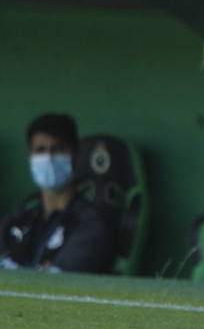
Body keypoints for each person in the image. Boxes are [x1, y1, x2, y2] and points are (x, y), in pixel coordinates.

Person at [0, 113, 117, 274]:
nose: (48, 157)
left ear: (75, 157)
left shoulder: (91, 223)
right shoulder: (18, 219)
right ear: (30, 158)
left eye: (58, 149)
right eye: (40, 150)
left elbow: (57, 280)